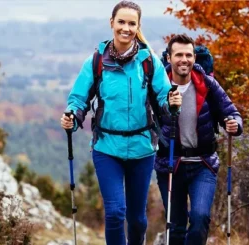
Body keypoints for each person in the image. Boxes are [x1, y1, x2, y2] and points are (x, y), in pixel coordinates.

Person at [60, 1, 182, 245]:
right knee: (115, 213)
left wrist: (172, 102)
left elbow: (163, 98)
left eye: (131, 23)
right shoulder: (96, 62)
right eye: (121, 22)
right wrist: (72, 116)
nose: (126, 28)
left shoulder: (149, 62)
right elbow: (78, 99)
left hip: (142, 149)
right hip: (107, 148)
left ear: (138, 27)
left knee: (137, 219)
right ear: (111, 23)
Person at [155, 34, 243, 245]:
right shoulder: (158, 86)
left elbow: (232, 113)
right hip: (169, 165)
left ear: (194, 57)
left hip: (203, 163)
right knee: (175, 226)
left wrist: (234, 125)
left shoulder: (208, 84)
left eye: (188, 55)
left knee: (200, 218)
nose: (184, 60)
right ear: (169, 58)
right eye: (178, 55)